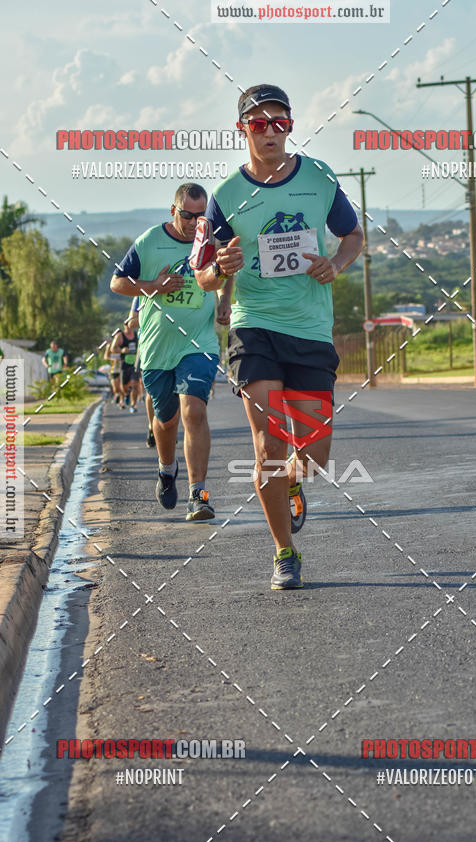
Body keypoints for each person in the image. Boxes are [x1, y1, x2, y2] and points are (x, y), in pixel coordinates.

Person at [193, 84, 363, 589]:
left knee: (314, 456)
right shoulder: (225, 196)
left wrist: (336, 264)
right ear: (242, 129)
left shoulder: (319, 177)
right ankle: (284, 552)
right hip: (254, 327)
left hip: (309, 329)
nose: (270, 131)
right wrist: (219, 268)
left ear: (290, 126)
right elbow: (201, 274)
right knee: (267, 443)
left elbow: (353, 235)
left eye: (280, 122)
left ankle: (293, 480)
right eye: (259, 123)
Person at [110, 183, 230, 521]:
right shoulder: (149, 241)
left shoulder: (211, 240)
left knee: (194, 412)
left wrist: (224, 300)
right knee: (166, 421)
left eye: (201, 216)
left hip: (199, 343)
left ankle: (198, 495)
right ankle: (166, 469)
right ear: (174, 211)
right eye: (188, 215)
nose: (195, 223)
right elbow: (117, 282)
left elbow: (227, 269)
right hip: (157, 347)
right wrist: (152, 286)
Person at [127, 297, 156, 447]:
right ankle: (152, 427)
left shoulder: (176, 287)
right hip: (149, 345)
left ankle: (169, 429)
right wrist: (154, 316)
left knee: (175, 392)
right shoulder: (141, 294)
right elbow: (131, 322)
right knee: (151, 390)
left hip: (175, 344)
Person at [110, 320, 141, 412]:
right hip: (124, 364)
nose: (129, 326)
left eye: (131, 323)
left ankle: (133, 405)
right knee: (123, 387)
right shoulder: (120, 336)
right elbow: (112, 349)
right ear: (124, 325)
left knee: (135, 384)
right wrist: (122, 350)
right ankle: (126, 394)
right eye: (127, 324)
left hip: (135, 363)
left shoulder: (136, 335)